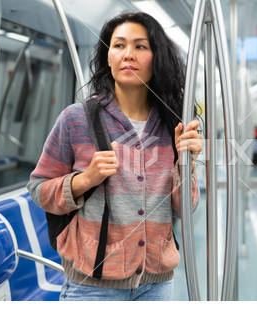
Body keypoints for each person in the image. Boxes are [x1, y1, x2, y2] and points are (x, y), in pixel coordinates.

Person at [27, 12, 202, 301]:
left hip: (156, 283)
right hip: (92, 286)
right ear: (108, 57)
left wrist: (187, 165)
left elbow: (185, 208)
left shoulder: (174, 124)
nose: (128, 55)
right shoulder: (76, 119)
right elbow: (38, 188)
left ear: (156, 58)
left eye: (141, 47)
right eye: (119, 45)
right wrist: (84, 180)